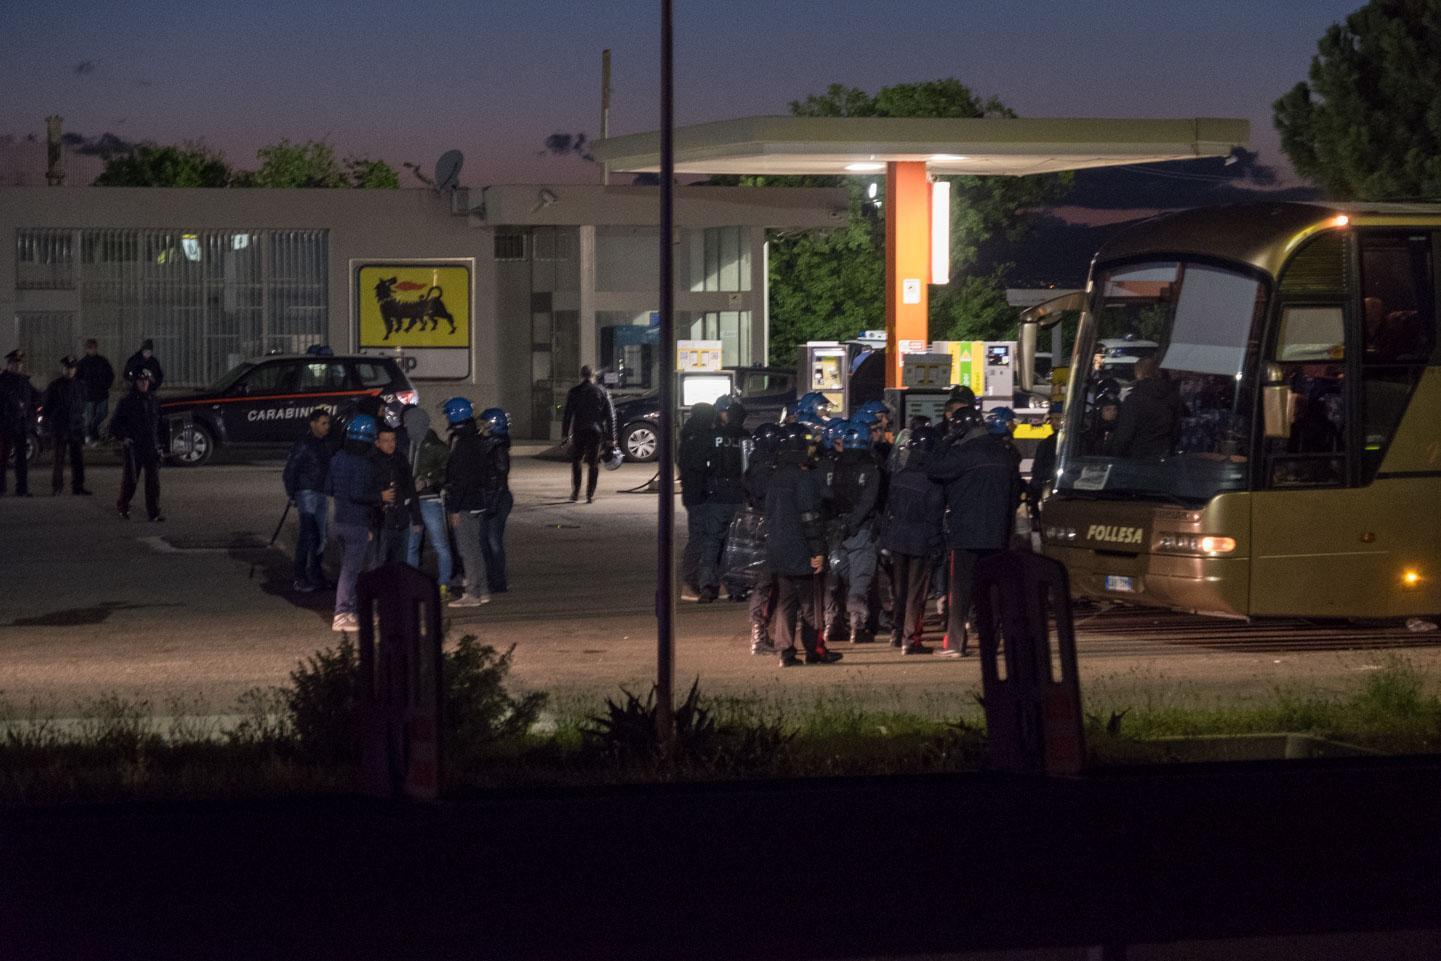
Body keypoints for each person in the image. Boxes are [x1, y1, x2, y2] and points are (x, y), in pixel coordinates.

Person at [927, 405, 1023, 656]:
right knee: (993, 590)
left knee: (960, 589)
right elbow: (1015, 495)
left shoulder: (963, 453)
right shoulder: (1004, 453)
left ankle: (956, 643)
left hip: (965, 532)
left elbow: (934, 468)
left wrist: (946, 440)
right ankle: (992, 641)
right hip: (998, 532)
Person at [763, 423, 843, 667]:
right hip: (802, 550)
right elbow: (810, 518)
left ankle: (785, 651)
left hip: (778, 550)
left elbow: (767, 514)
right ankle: (815, 650)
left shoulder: (776, 477)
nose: (812, 450)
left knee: (786, 602)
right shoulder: (805, 479)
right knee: (811, 604)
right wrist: (818, 551)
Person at [880, 425, 945, 654]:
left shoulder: (899, 476)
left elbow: (889, 510)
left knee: (899, 590)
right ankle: (911, 639)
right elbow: (934, 518)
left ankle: (897, 633)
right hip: (921, 542)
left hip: (897, 539)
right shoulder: (933, 481)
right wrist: (937, 545)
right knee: (916, 593)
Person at [325, 413, 392, 632]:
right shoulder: (363, 463)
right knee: (351, 571)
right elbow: (359, 493)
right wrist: (379, 496)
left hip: (339, 520)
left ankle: (351, 612)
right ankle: (342, 614)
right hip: (356, 522)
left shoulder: (337, 458)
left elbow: (328, 488)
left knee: (348, 568)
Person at [827, 419, 883, 643]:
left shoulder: (833, 465)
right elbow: (869, 502)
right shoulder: (871, 468)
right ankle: (856, 625)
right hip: (860, 529)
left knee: (834, 580)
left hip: (835, 530)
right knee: (860, 578)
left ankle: (831, 624)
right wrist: (853, 523)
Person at [697, 396, 751, 603]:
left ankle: (707, 586)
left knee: (712, 541)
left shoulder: (713, 436)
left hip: (717, 495)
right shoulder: (746, 438)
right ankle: (736, 588)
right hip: (739, 495)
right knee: (737, 543)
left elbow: (703, 464)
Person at [442, 397, 491, 608]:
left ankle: (472, 593)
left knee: (466, 550)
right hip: (477, 500)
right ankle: (483, 590)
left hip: (465, 503)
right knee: (475, 549)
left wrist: (454, 508)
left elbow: (460, 479)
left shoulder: (463, 444)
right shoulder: (476, 439)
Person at [282, 408, 334, 593]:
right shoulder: (304, 444)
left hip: (320, 493)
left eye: (328, 423)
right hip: (307, 493)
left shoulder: (326, 443)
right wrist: (292, 494)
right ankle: (300, 577)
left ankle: (316, 575)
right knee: (308, 535)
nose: (327, 427)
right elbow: (290, 470)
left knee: (321, 536)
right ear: (313, 424)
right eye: (323, 423)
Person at [744, 422, 782, 654]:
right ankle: (759, 634)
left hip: (760, 527)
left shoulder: (756, 465)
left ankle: (763, 631)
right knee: (766, 581)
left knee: (768, 582)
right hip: (768, 529)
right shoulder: (764, 469)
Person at [407, 418, 456, 598]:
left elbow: (446, 473)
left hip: (429, 499)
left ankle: (444, 583)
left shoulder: (435, 446)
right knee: (412, 544)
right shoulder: (407, 443)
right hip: (412, 500)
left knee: (438, 544)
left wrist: (428, 481)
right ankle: (411, 584)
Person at [109, 369, 164, 521]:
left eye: (146, 380)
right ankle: (123, 506)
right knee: (131, 480)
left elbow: (160, 424)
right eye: (140, 380)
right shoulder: (127, 401)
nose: (144, 383)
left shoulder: (154, 400)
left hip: (151, 446)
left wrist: (161, 445)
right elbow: (114, 425)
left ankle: (154, 513)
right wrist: (124, 437)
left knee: (153, 482)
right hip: (134, 447)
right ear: (135, 382)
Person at [678, 402, 718, 601]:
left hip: (692, 494)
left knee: (699, 537)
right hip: (700, 494)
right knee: (701, 538)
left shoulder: (688, 435)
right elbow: (702, 466)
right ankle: (691, 581)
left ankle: (696, 580)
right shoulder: (701, 438)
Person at [1107, 356, 1182, 458]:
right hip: (1164, 455)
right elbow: (1176, 430)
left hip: (1138, 457)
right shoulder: (1172, 396)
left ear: (1139, 373)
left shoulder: (1134, 399)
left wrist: (1115, 454)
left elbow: (1125, 433)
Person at [561, 365, 615, 504]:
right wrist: (611, 437)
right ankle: (590, 494)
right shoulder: (602, 391)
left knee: (576, 461)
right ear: (593, 376)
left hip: (579, 429)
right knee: (593, 463)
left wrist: (565, 434)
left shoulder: (574, 392)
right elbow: (610, 416)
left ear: (581, 375)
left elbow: (567, 414)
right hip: (595, 430)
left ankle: (575, 492)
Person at [476, 407, 514, 595]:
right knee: (484, 540)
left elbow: (499, 477)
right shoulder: (487, 444)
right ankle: (490, 578)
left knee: (493, 541)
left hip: (497, 499)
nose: (481, 427)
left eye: (484, 424)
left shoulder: (497, 447)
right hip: (490, 498)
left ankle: (499, 581)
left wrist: (492, 503)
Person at [372, 425, 421, 567]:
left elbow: (410, 488)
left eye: (393, 440)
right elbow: (364, 491)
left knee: (400, 562)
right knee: (381, 562)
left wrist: (416, 518)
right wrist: (379, 496)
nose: (390, 444)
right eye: (386, 441)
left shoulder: (400, 459)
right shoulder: (371, 462)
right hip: (381, 522)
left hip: (401, 519)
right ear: (377, 443)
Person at [42, 356, 90, 496]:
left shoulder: (80, 385)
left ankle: (78, 486)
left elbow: (83, 406)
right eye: (67, 368)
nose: (70, 371)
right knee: (58, 459)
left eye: (72, 368)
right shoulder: (55, 386)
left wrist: (82, 424)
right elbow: (47, 408)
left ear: (75, 369)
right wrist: (50, 424)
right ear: (63, 369)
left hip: (75, 427)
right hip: (60, 427)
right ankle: (57, 487)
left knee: (78, 459)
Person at [0, 350, 35, 497]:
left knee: (21, 460)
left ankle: (22, 489)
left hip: (21, 426)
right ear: (9, 364)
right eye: (14, 363)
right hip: (5, 424)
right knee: (2, 458)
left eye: (19, 363)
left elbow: (33, 400)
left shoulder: (24, 381)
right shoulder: (2, 380)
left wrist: (29, 419)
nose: (17, 366)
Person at [75, 339, 114, 444]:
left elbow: (110, 375)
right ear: (87, 349)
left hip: (102, 393)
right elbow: (78, 379)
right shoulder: (83, 363)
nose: (93, 350)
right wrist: (83, 390)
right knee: (89, 417)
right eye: (91, 348)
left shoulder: (102, 361)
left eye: (95, 347)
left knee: (102, 414)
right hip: (89, 395)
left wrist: (106, 385)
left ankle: (92, 431)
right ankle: (90, 436)